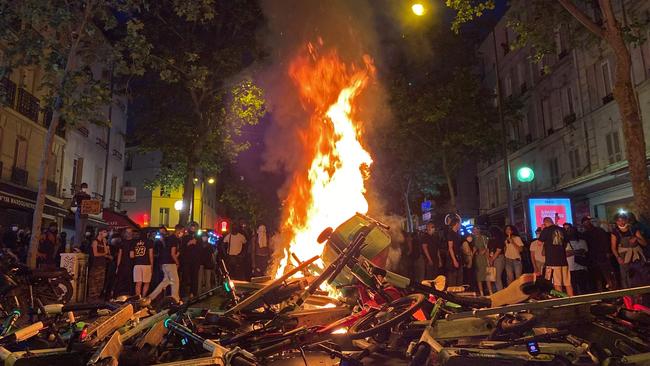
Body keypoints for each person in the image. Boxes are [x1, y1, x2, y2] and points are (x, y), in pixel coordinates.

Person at [539, 217, 574, 296]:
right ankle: (572, 299)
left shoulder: (546, 230)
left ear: (545, 223)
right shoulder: (562, 229)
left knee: (557, 283)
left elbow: (539, 243)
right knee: (567, 283)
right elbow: (566, 242)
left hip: (552, 261)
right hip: (563, 260)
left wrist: (542, 231)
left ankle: (562, 301)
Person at [610, 213, 647, 289]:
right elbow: (613, 247)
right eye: (619, 221)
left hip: (636, 256)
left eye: (623, 220)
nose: (621, 222)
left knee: (640, 275)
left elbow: (645, 243)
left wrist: (636, 238)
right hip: (624, 258)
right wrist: (618, 257)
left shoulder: (633, 229)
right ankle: (629, 297)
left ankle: (642, 295)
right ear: (616, 222)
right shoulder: (615, 232)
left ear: (626, 220)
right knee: (626, 277)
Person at [579, 216, 616, 291]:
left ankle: (611, 292)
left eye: (587, 222)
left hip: (600, 257)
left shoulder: (597, 231)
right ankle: (605, 293)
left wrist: (607, 252)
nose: (587, 224)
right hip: (594, 258)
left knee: (606, 276)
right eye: (585, 222)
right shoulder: (587, 233)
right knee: (600, 277)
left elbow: (605, 242)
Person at [148, 224, 181, 302]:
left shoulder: (166, 239)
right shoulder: (174, 239)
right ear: (179, 230)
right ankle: (175, 299)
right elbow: (172, 253)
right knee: (175, 281)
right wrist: (177, 262)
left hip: (164, 262)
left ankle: (151, 297)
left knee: (165, 281)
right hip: (170, 262)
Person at [564, 223, 590, 295]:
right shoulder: (565, 243)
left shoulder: (582, 241)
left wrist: (571, 252)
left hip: (581, 267)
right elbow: (565, 254)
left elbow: (583, 251)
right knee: (573, 289)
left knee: (583, 288)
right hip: (570, 269)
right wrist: (577, 252)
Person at [88, 228, 111, 301]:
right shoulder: (95, 241)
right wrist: (104, 254)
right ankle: (92, 297)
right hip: (96, 264)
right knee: (94, 281)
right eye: (104, 232)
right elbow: (96, 254)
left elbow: (106, 252)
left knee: (100, 282)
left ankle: (97, 296)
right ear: (100, 232)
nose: (105, 233)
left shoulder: (103, 241)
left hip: (103, 264)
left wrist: (104, 243)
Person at [130, 233, 154, 297]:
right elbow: (151, 255)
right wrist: (152, 265)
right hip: (146, 265)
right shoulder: (149, 242)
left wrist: (138, 257)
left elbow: (131, 255)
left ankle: (138, 298)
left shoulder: (134, 242)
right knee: (146, 282)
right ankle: (143, 298)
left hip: (137, 265)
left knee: (138, 283)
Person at [180, 226, 201, 297]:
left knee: (194, 277)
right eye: (192, 228)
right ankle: (182, 293)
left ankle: (193, 292)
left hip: (195, 261)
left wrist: (196, 243)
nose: (193, 230)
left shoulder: (198, 238)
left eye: (194, 228)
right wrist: (188, 244)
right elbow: (182, 249)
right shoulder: (185, 238)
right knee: (185, 277)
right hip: (187, 260)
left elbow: (201, 249)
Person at [114, 228, 134, 296]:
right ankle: (117, 295)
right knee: (120, 281)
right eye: (127, 232)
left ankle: (129, 296)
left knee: (130, 282)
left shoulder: (134, 242)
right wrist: (118, 265)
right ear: (125, 233)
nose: (128, 234)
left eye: (130, 232)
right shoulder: (122, 242)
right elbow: (120, 254)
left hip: (131, 265)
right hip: (123, 264)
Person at [472, 227, 491, 296]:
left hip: (484, 258)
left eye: (477, 229)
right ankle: (481, 292)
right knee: (479, 276)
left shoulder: (484, 237)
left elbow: (487, 248)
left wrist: (488, 258)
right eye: (474, 230)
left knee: (487, 276)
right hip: (476, 259)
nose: (475, 231)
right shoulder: (472, 239)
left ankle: (490, 291)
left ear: (479, 230)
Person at [446, 219, 463, 286]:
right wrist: (454, 260)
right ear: (456, 224)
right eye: (459, 224)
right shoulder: (450, 234)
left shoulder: (458, 234)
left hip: (459, 257)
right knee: (452, 278)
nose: (460, 225)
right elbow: (450, 248)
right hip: (453, 259)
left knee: (459, 278)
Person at [487, 226, 506, 291]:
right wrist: (489, 259)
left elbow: (499, 250)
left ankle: (500, 292)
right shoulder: (491, 239)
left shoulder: (500, 239)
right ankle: (496, 291)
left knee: (497, 277)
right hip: (493, 258)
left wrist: (491, 259)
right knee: (492, 277)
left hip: (498, 258)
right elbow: (488, 249)